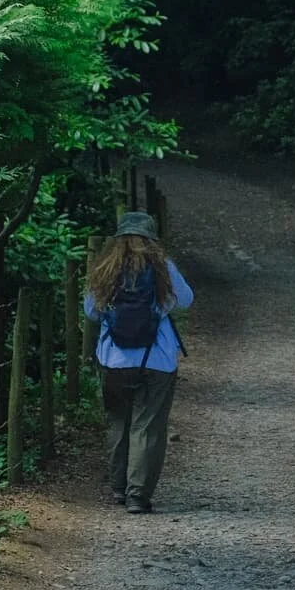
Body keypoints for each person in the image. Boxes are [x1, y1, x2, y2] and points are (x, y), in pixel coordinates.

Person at [83, 211, 194, 514]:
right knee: (148, 426)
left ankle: (118, 488)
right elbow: (186, 300)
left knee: (119, 421)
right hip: (157, 360)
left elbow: (91, 312)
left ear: (119, 238)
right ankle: (137, 495)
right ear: (151, 239)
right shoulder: (163, 268)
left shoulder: (105, 268)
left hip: (113, 359)